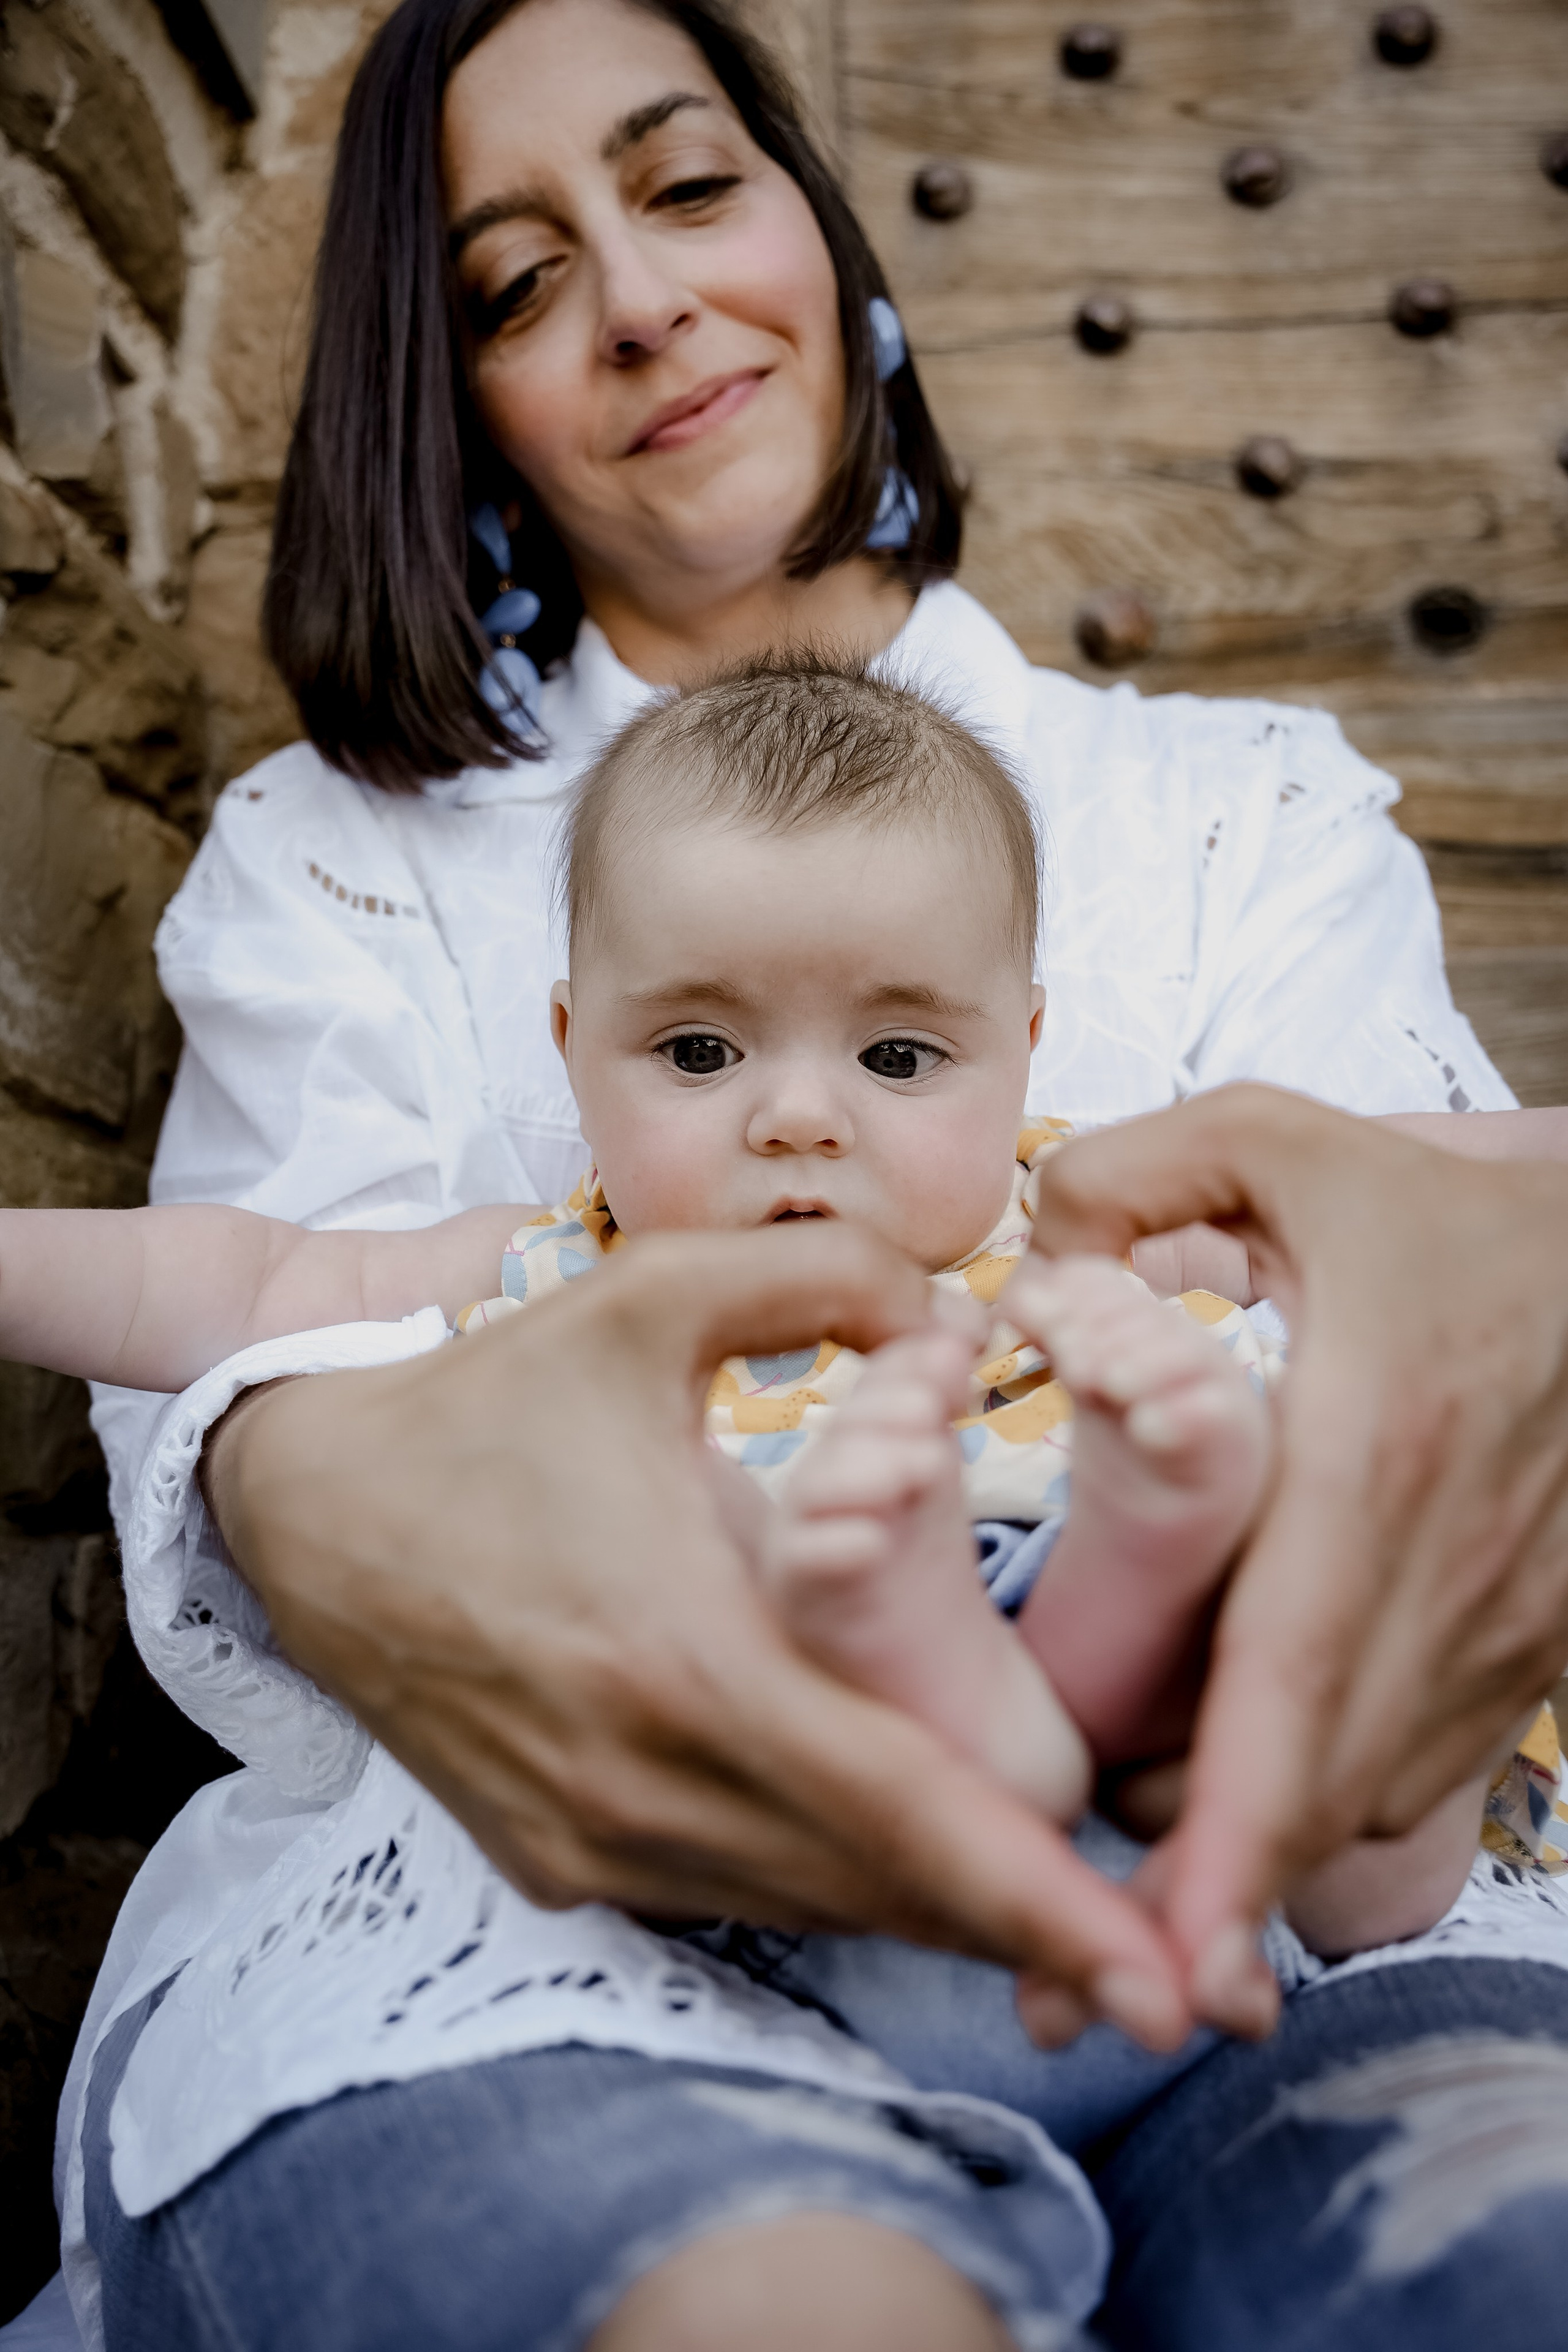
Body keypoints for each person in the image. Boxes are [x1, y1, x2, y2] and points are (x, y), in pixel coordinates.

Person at [50, 0, 1568, 2342]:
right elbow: (260, 1326)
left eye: (683, 189)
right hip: (549, 1917)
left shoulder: (1237, 809)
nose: (640, 298)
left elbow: (1430, 1203)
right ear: (458, 408)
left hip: (1216, 1850)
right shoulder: (342, 862)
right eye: (515, 282)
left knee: (1495, 2245)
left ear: (824, 231)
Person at [7, 663, 1509, 1986]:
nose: (797, 1116)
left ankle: (1343, 1769)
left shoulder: (1083, 1216)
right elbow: (240, 1284)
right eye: (702, 1048)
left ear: (1023, 1048)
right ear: (572, 1050)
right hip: (769, 1758)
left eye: (901, 1053)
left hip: (1139, 1729)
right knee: (673, 1565)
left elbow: (1394, 1174)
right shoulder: (559, 1269)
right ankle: (968, 1640)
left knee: (1280, 1537)